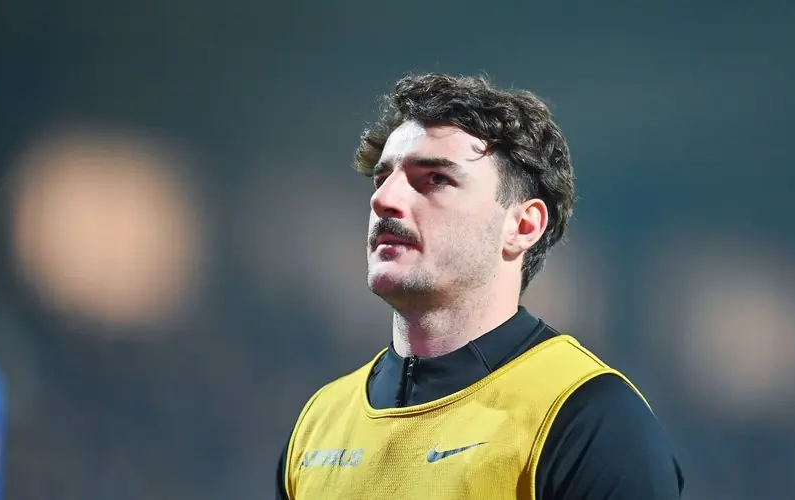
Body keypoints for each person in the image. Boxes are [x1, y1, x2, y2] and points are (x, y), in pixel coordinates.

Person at [275, 73, 684, 499]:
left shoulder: (589, 417)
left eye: (435, 179)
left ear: (522, 226)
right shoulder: (317, 426)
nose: (384, 199)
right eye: (383, 179)